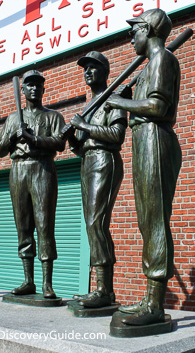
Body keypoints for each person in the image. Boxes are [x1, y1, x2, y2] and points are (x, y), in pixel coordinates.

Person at [106, 9, 182, 325]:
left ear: (148, 29)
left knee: (155, 221)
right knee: (146, 220)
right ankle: (148, 298)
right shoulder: (150, 66)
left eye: (134, 30)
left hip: (155, 138)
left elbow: (157, 107)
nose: (131, 36)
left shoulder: (164, 59)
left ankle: (154, 305)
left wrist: (117, 102)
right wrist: (127, 94)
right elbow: (143, 103)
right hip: (143, 139)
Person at [62, 51, 127, 308]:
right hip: (88, 161)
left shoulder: (114, 99)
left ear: (105, 71)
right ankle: (101, 289)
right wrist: (72, 137)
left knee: (96, 222)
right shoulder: (88, 106)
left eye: (93, 67)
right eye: (85, 68)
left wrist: (84, 126)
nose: (87, 72)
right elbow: (81, 147)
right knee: (92, 224)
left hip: (105, 160)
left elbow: (117, 135)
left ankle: (104, 291)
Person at [0, 70, 65, 298]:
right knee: (23, 227)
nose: (34, 88)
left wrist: (34, 139)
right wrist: (14, 136)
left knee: (45, 227)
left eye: (38, 85)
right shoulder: (13, 118)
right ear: (23, 90)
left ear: (43, 89)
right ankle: (28, 280)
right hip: (18, 170)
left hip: (42, 168)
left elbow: (59, 143)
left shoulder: (53, 116)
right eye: (29, 85)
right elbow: (0, 150)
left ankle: (47, 283)